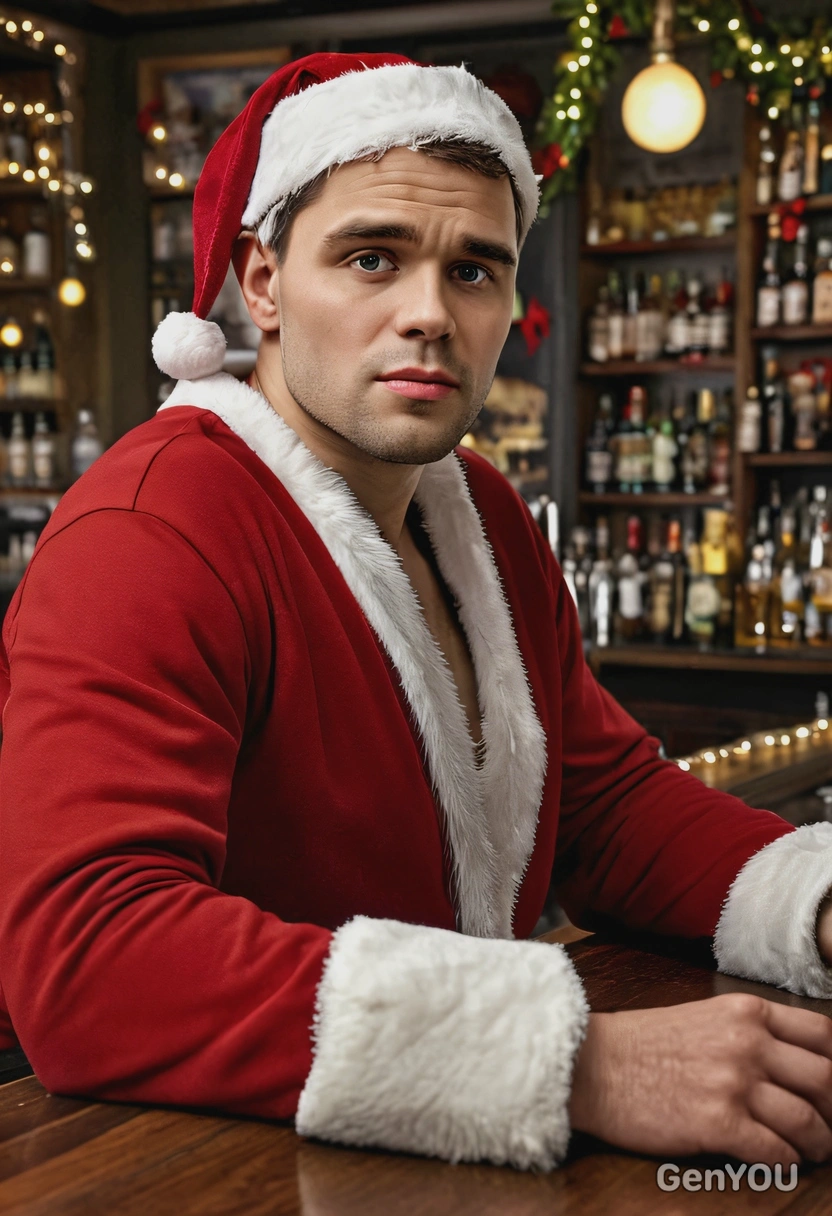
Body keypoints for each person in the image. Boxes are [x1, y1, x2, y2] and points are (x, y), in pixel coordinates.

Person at [0, 50, 831, 1174]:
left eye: (475, 272)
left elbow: (604, 804)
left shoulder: (477, 507)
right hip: (196, 1168)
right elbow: (92, 959)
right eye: (372, 258)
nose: (430, 314)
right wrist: (574, 1061)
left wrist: (814, 905)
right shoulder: (152, 526)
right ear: (262, 282)